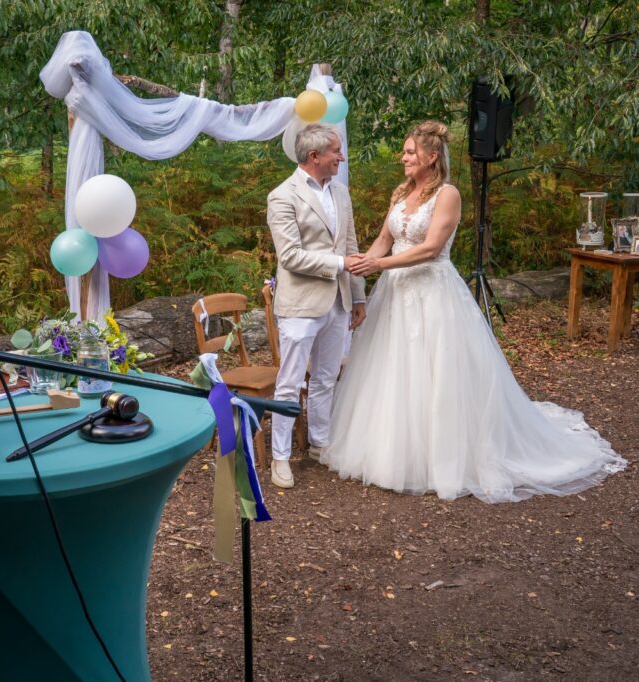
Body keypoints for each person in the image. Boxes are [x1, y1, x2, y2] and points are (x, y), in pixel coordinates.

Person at [323, 120, 625, 502]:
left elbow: (431, 248)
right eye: (405, 152)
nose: (403, 158)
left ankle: (442, 457)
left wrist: (379, 265)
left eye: (410, 152)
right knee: (393, 369)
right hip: (395, 293)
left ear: (432, 157)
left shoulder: (447, 194)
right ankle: (393, 453)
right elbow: (385, 239)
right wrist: (359, 264)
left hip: (432, 292)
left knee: (435, 372)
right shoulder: (401, 193)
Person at [265, 122, 366, 489]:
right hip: (300, 304)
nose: (342, 157)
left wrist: (358, 296)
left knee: (326, 377)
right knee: (290, 384)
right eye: (336, 151)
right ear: (314, 156)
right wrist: (340, 265)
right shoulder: (282, 196)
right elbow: (290, 256)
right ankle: (280, 457)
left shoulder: (340, 192)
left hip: (339, 301)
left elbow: (350, 244)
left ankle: (319, 444)